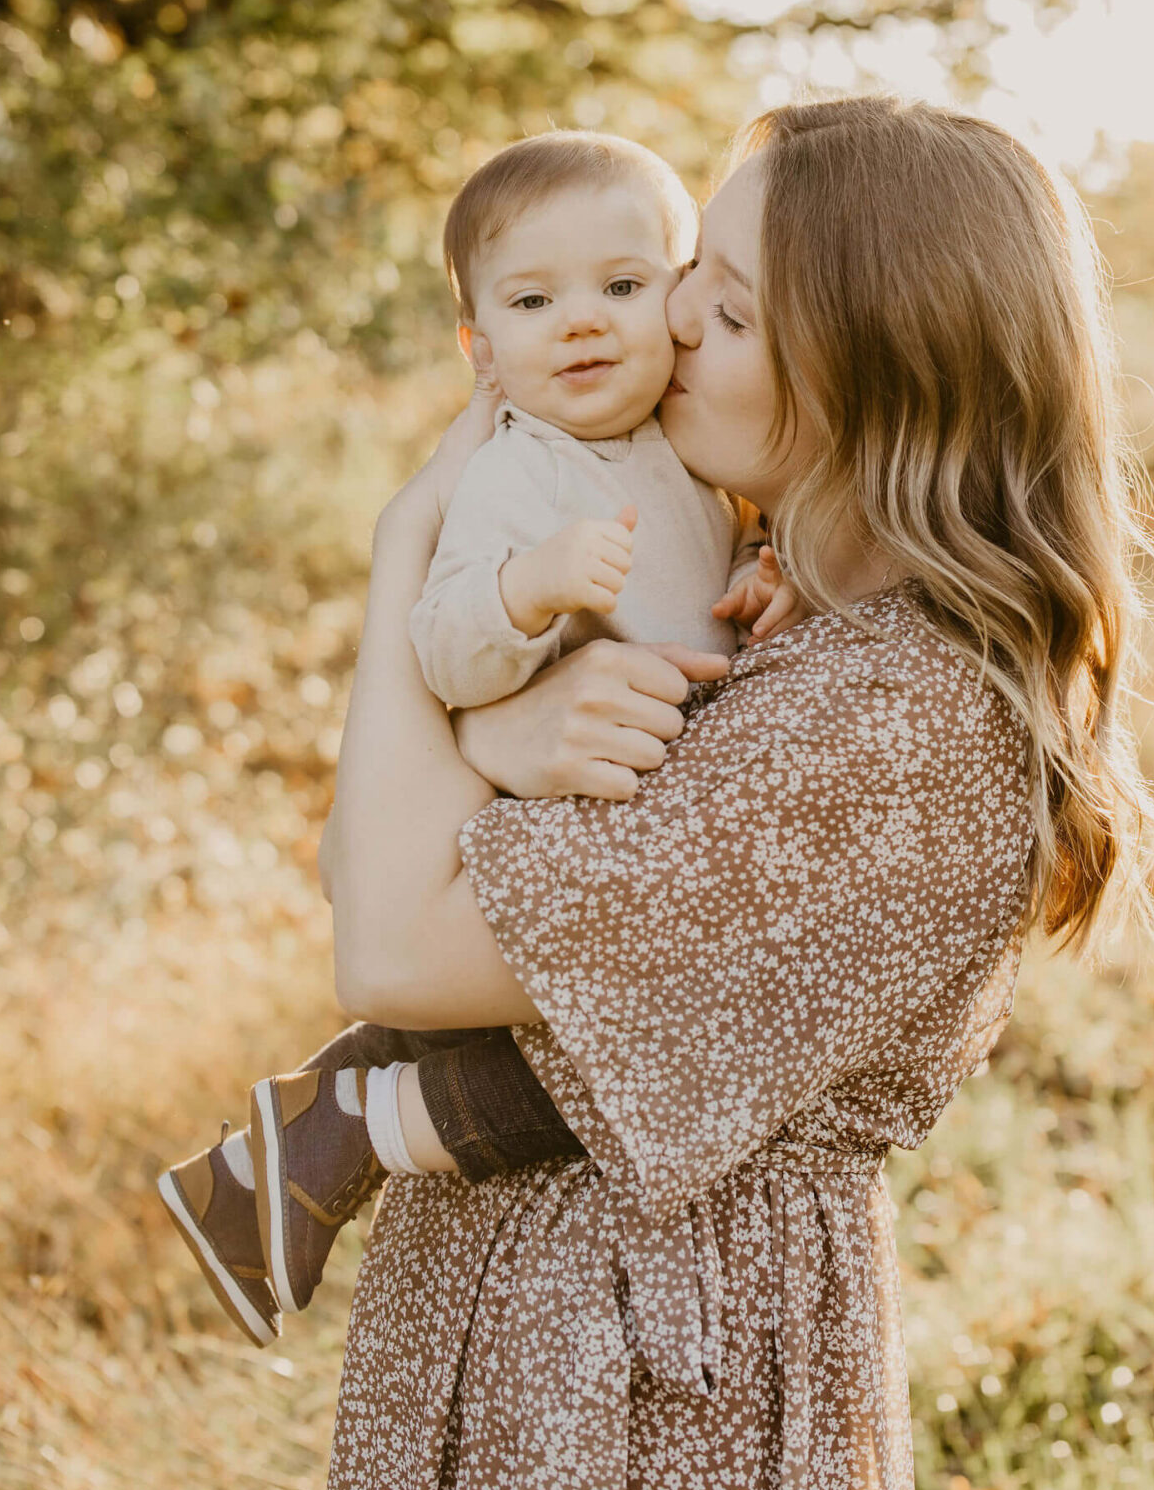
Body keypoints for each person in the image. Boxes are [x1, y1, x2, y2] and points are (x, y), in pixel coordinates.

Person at [315, 94, 1154, 1490]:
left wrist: (401, 556)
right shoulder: (782, 629)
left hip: (633, 1409)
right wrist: (505, 709)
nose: (665, 333)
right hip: (557, 1343)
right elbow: (406, 854)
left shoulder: (888, 713)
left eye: (719, 302)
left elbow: (391, 940)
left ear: (871, 356)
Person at [157, 130, 792, 1342]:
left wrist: (766, 564)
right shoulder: (520, 475)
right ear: (480, 348)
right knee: (585, 1050)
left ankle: (283, 1156)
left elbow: (705, 576)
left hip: (632, 807)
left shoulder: (688, 456)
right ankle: (290, 1157)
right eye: (534, 299)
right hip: (555, 821)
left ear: (681, 292)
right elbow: (443, 644)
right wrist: (529, 589)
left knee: (604, 1045)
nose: (584, 323)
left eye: (622, 283)